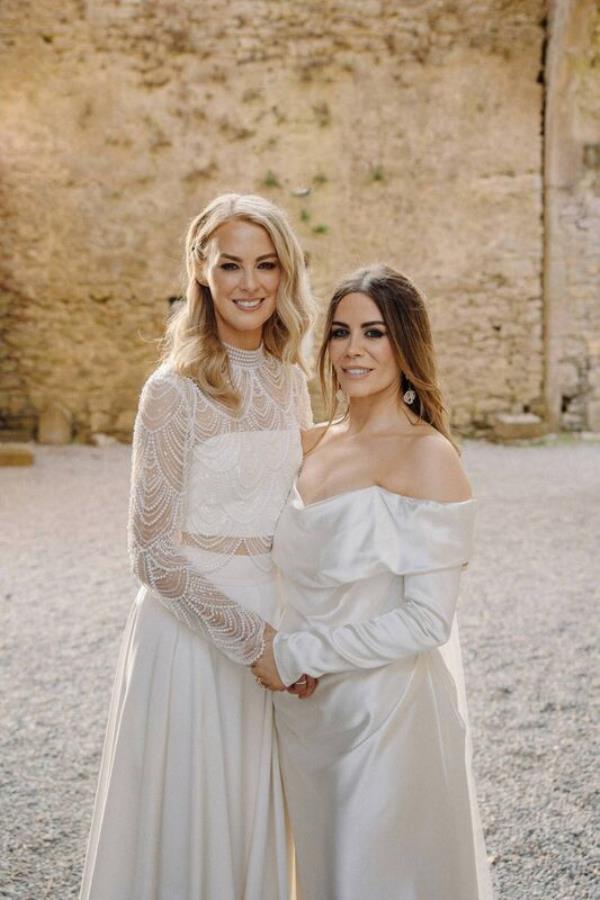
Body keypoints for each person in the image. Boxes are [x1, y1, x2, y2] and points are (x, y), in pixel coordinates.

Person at [80, 193, 318, 900]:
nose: (250, 283)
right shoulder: (172, 391)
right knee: (192, 819)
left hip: (276, 623)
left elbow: (295, 514)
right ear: (201, 270)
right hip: (195, 636)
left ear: (285, 273)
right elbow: (151, 551)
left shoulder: (291, 379)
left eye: (266, 265)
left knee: (255, 816)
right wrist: (255, 641)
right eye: (232, 264)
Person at [252, 264, 494, 899]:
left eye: (375, 332)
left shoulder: (430, 457)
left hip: (382, 719)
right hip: (302, 715)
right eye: (340, 332)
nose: (354, 349)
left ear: (406, 343)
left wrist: (295, 653)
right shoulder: (309, 443)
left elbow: (426, 622)